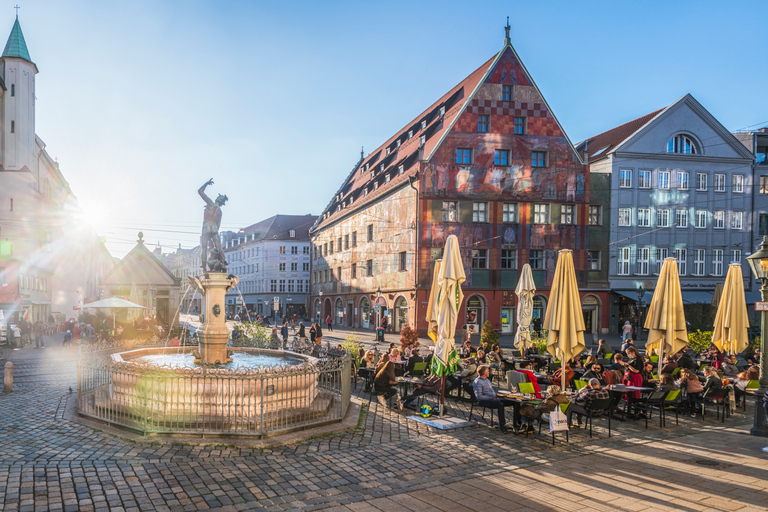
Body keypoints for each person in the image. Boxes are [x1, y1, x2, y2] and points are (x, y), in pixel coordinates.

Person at [472, 365, 513, 433]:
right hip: (484, 401)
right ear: (484, 372)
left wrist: (497, 396)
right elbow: (479, 397)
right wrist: (492, 398)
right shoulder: (478, 382)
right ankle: (502, 425)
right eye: (488, 371)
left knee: (512, 401)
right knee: (500, 404)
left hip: (493, 398)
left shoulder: (487, 380)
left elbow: (492, 391)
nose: (489, 372)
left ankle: (518, 424)